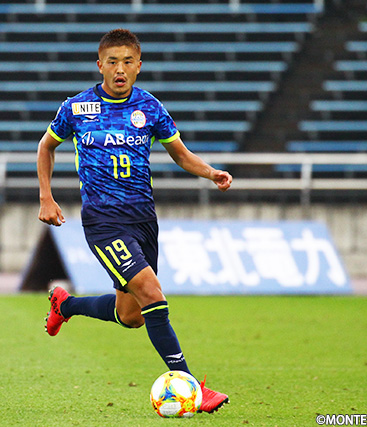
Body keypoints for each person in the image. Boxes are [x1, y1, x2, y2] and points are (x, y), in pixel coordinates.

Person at [37, 29, 232, 413]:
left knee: (132, 316)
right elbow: (46, 147)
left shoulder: (150, 107)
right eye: (112, 62)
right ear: (100, 65)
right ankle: (192, 385)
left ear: (139, 66)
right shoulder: (76, 108)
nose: (120, 69)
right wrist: (46, 196)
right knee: (152, 293)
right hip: (103, 221)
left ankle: (66, 305)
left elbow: (180, 154)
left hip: (143, 219)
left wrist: (211, 173)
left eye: (127, 62)